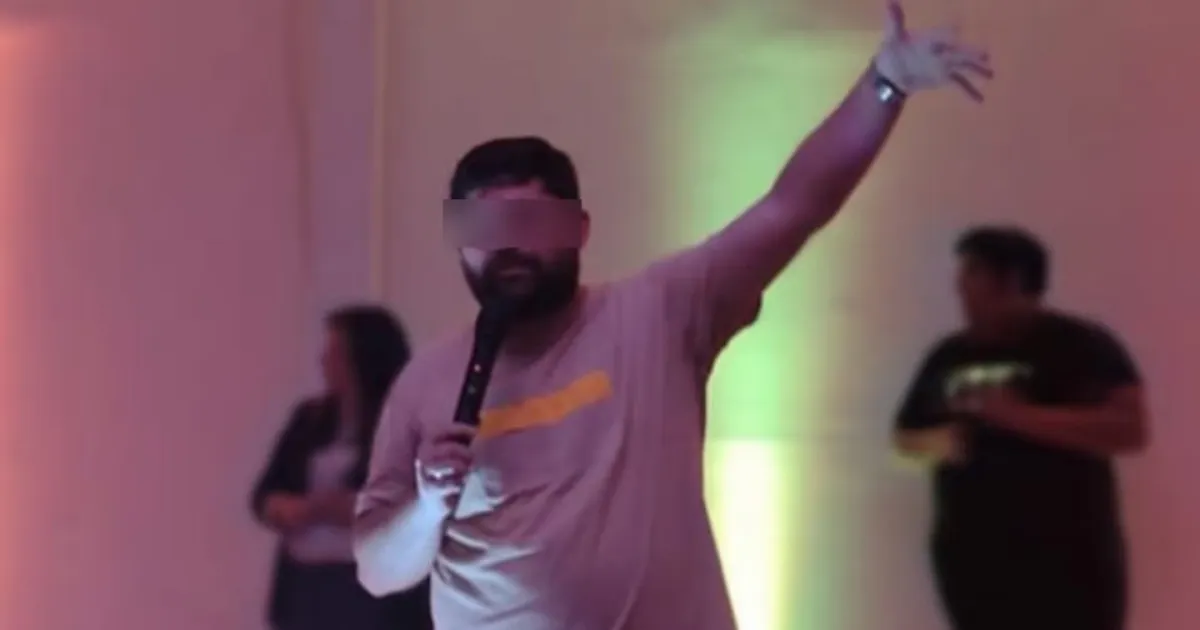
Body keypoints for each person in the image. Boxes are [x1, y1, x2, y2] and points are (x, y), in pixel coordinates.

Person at [354, 3, 992, 628]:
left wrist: (884, 85)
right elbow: (379, 570)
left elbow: (792, 206)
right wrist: (427, 506)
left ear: (579, 230)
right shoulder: (427, 383)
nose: (508, 245)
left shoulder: (660, 313)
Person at [892, 226, 1149, 630]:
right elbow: (906, 437)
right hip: (974, 562)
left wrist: (1018, 417)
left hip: (1071, 564)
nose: (960, 288)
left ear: (1012, 281)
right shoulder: (948, 355)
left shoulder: (1082, 344)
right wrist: (948, 442)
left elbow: (1129, 429)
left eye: (973, 274)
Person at [251, 305, 431, 630]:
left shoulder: (404, 424)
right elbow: (264, 493)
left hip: (369, 586)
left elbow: (417, 499)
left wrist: (352, 507)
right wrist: (285, 508)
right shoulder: (308, 419)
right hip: (305, 579)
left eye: (336, 353)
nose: (324, 361)